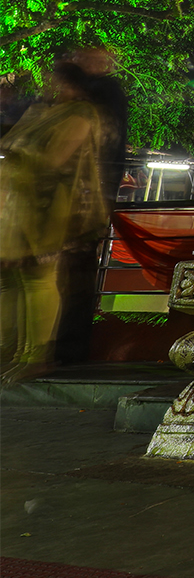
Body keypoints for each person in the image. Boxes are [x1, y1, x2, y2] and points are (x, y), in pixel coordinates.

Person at [0, 61, 107, 382]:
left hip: (50, 209)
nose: (47, 85)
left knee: (38, 278)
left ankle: (35, 357)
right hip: (17, 206)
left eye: (53, 79)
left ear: (71, 85)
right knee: (11, 281)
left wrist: (12, 158)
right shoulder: (40, 111)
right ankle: (11, 351)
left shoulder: (81, 115)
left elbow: (52, 161)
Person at [53, 48, 129, 363]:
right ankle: (65, 347)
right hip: (89, 198)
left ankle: (67, 349)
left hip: (85, 200)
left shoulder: (98, 99)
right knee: (73, 277)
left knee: (75, 278)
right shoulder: (103, 97)